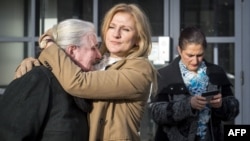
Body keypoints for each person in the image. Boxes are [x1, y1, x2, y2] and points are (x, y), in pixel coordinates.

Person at [14, 3, 158, 141]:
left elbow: (79, 82)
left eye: (125, 29)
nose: (116, 34)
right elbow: (64, 64)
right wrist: (34, 64)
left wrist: (49, 45)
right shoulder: (96, 59)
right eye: (112, 27)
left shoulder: (140, 69)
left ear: (139, 39)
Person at [0, 19, 102, 141]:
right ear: (72, 50)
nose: (99, 55)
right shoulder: (38, 81)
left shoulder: (82, 89)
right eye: (93, 48)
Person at [150, 26, 239, 141]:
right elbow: (156, 114)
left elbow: (234, 109)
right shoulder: (163, 75)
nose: (195, 61)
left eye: (200, 55)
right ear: (179, 50)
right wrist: (188, 105)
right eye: (190, 55)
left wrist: (221, 105)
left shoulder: (217, 72)